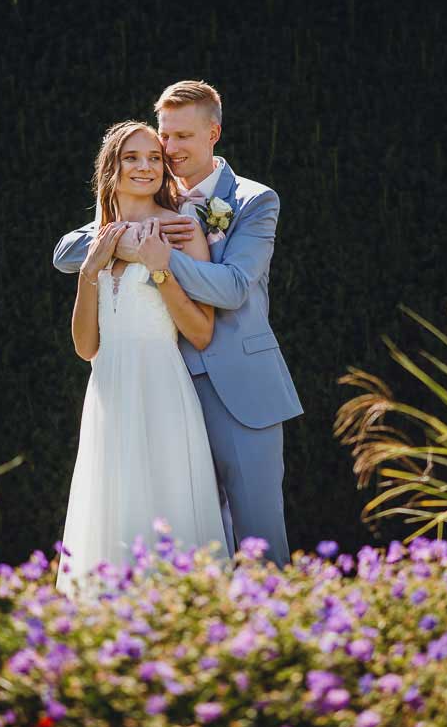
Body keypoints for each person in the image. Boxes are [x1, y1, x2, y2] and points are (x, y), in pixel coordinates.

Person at [54, 81, 302, 568]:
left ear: (213, 134)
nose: (168, 149)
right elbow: (67, 251)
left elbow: (234, 288)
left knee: (258, 534)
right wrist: (129, 238)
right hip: (161, 389)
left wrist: (161, 256)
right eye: (165, 135)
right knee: (184, 531)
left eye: (182, 136)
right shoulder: (153, 197)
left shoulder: (252, 200)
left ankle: (271, 618)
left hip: (238, 388)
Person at [55, 120, 227, 592]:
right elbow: (86, 347)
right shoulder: (97, 240)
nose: (145, 167)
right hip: (108, 392)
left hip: (161, 390)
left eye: (154, 158)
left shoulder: (181, 231)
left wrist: (160, 270)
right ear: (111, 167)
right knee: (112, 510)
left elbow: (201, 332)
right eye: (132, 157)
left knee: (166, 506)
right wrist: (90, 270)